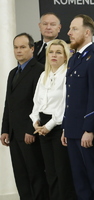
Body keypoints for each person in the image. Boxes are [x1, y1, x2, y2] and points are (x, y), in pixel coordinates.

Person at [62, 14, 94, 200]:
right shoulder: (74, 59)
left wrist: (90, 129)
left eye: (74, 29)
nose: (69, 32)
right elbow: (70, 97)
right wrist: (66, 127)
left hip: (86, 130)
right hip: (73, 129)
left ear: (88, 32)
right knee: (79, 179)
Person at [1, 33, 48, 200]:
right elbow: (9, 104)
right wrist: (5, 129)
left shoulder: (40, 70)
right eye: (16, 47)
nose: (18, 51)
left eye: (22, 47)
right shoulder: (13, 73)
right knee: (21, 176)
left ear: (32, 49)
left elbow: (40, 104)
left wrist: (31, 129)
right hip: (14, 134)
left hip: (30, 134)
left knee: (36, 175)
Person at [30, 39, 77, 200]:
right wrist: (35, 121)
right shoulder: (44, 74)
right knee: (50, 172)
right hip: (42, 126)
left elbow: (65, 104)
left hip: (58, 126)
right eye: (51, 52)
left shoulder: (67, 74)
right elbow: (37, 102)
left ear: (65, 56)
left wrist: (49, 125)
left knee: (62, 171)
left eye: (58, 52)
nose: (54, 55)